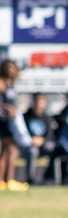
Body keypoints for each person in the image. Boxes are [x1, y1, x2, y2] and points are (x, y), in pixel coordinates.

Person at [0, 59, 29, 192]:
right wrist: (7, 108)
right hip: (3, 121)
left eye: (12, 67)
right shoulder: (1, 83)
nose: (10, 70)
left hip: (11, 122)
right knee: (6, 151)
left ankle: (9, 180)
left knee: (11, 151)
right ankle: (2, 180)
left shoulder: (12, 83)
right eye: (8, 67)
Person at [22, 92, 56, 183]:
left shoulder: (47, 117)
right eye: (37, 102)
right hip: (28, 145)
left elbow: (50, 135)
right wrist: (31, 140)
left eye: (41, 102)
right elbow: (22, 133)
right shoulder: (25, 117)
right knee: (33, 151)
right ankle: (31, 179)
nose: (39, 105)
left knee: (52, 148)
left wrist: (42, 140)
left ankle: (49, 177)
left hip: (43, 144)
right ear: (32, 102)